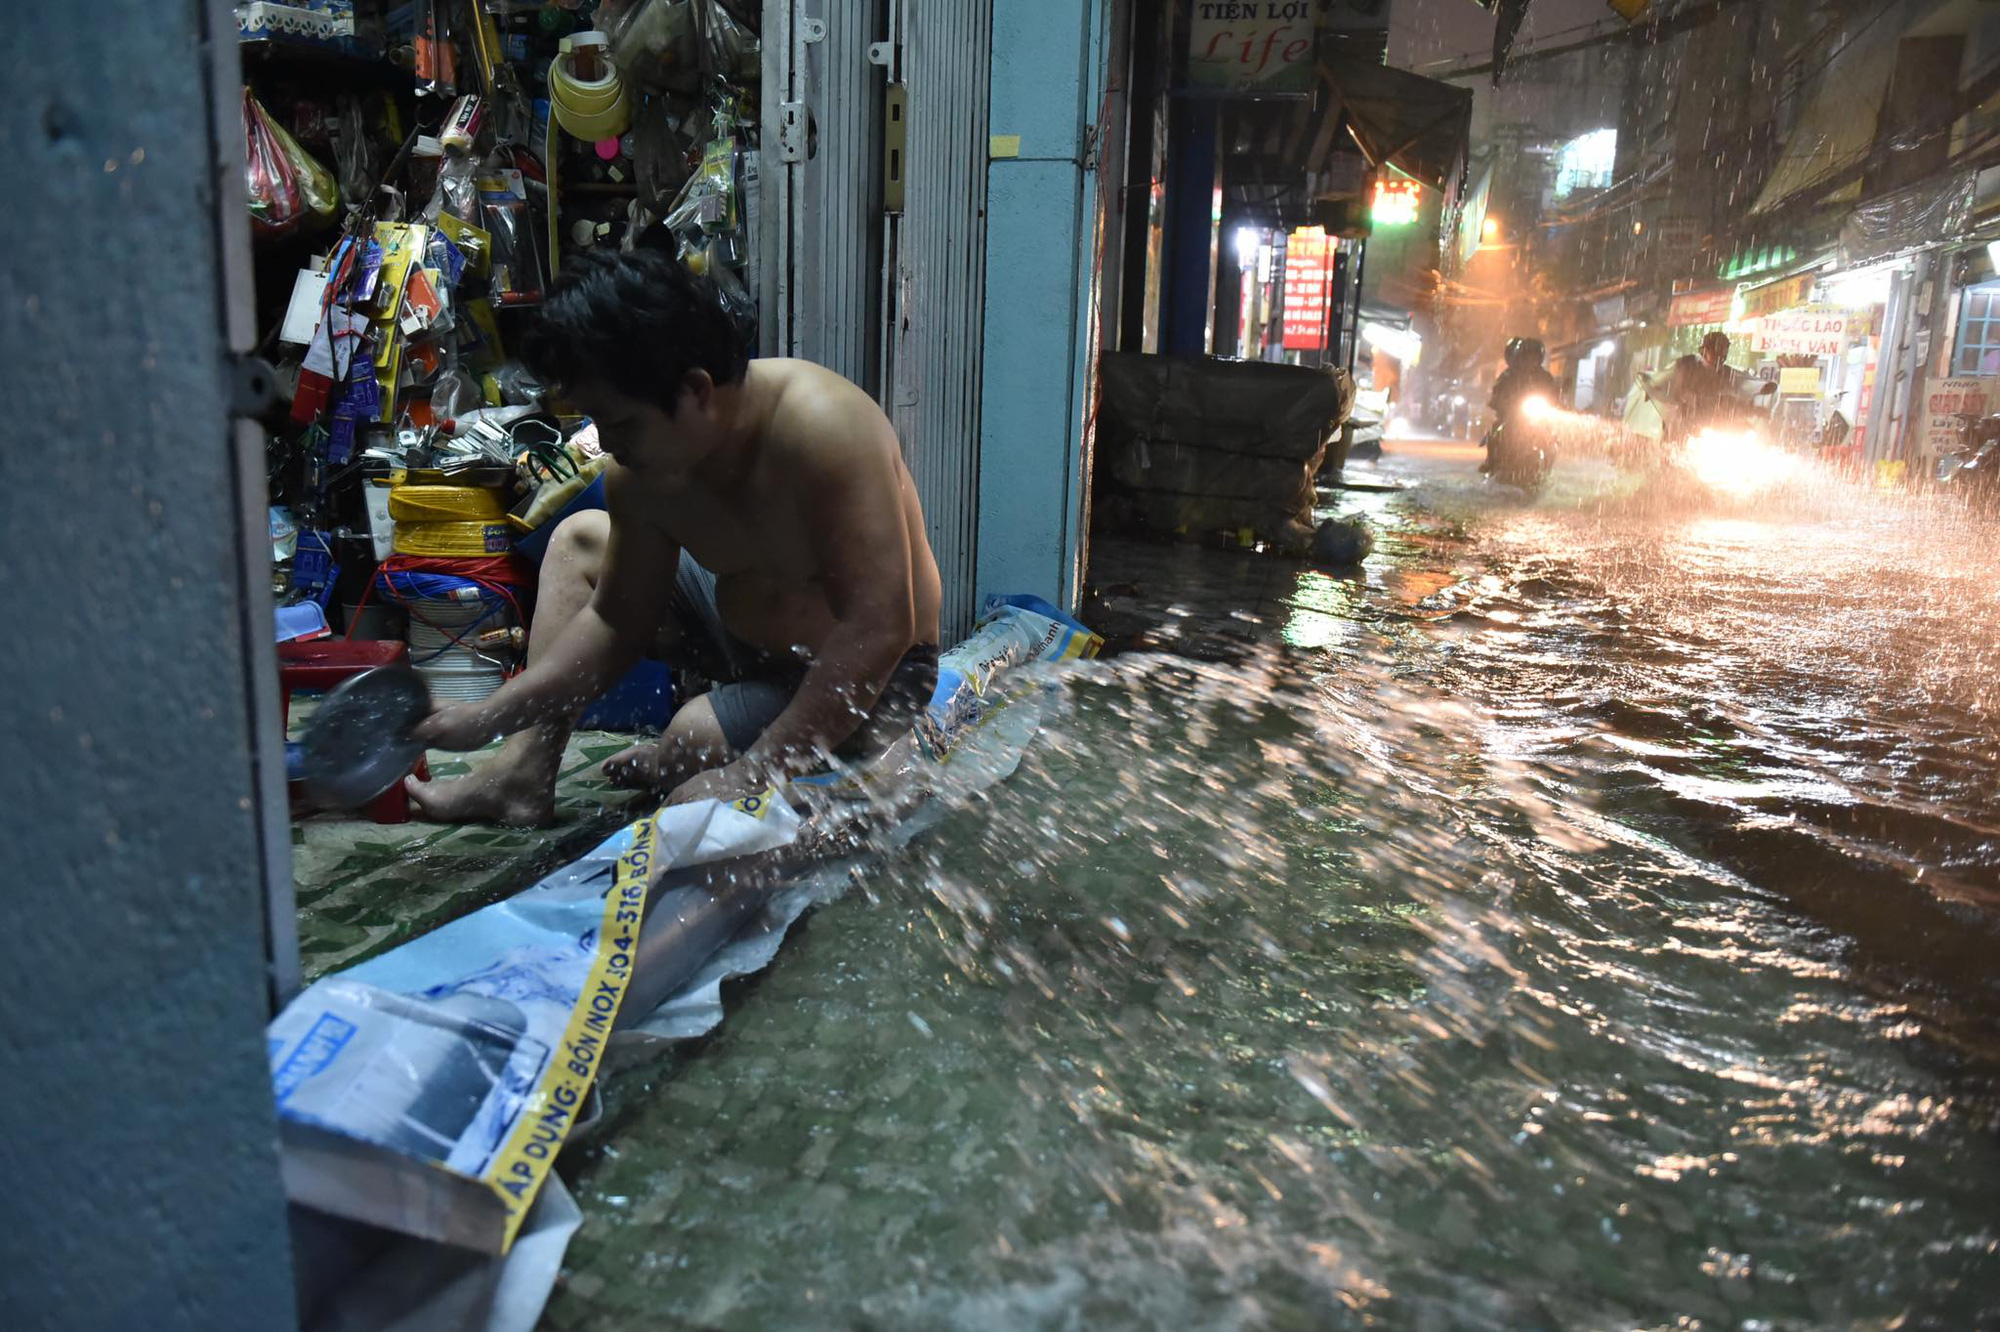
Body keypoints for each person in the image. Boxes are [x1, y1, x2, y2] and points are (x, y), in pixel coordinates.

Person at [405, 247, 943, 826]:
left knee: (691, 744)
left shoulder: (824, 428)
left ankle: (686, 752)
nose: (606, 442)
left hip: (879, 675)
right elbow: (616, 625)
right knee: (578, 540)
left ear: (695, 390)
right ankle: (521, 776)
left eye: (620, 422)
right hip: (745, 643)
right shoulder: (639, 475)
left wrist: (751, 772)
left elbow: (881, 627)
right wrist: (489, 716)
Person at [1483, 336, 1557, 471]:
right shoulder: (1508, 376)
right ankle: (1491, 462)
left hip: (1538, 418)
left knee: (1552, 438)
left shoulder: (1545, 377)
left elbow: (1554, 395)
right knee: (1496, 434)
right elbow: (1497, 394)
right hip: (1512, 417)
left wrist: (1555, 403)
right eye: (1527, 357)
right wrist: (1503, 402)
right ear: (1521, 357)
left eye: (1534, 357)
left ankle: (1547, 466)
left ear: (1539, 358)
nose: (1531, 360)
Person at [1661, 330, 1738, 441]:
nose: (1722, 356)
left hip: (1708, 429)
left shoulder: (1726, 373)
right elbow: (1673, 391)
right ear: (1705, 350)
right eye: (1718, 350)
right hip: (1680, 426)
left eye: (1725, 351)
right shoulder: (1686, 365)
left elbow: (1742, 386)